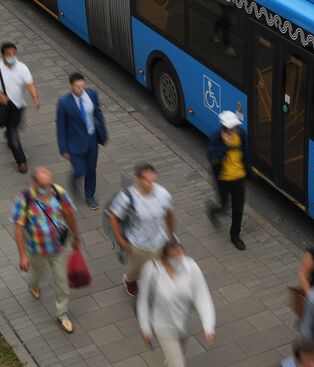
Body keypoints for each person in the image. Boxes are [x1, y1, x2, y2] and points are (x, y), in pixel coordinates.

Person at [11, 167, 80, 333]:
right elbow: (18, 229)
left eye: (49, 184)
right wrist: (23, 256)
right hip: (36, 248)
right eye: (43, 185)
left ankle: (62, 314)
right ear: (34, 182)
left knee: (62, 282)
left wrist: (76, 236)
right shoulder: (24, 199)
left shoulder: (58, 192)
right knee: (37, 272)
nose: (47, 188)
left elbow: (69, 214)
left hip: (58, 247)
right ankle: (33, 285)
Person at [137, 241, 215, 367]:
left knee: (178, 357)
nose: (179, 258)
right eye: (174, 256)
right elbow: (143, 300)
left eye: (180, 253)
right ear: (165, 257)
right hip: (163, 327)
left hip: (184, 324)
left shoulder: (191, 267)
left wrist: (208, 326)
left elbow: (202, 296)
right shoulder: (151, 270)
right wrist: (145, 327)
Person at [109, 163, 174, 296]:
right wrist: (120, 240)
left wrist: (170, 233)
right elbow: (113, 217)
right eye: (146, 180)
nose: (150, 184)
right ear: (138, 179)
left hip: (158, 240)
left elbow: (169, 213)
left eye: (153, 180)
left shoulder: (163, 194)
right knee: (134, 269)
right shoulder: (127, 197)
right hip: (137, 243)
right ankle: (130, 280)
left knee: (157, 268)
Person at [56, 72, 108, 210]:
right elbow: (60, 127)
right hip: (74, 143)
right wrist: (63, 148)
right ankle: (74, 179)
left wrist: (103, 134)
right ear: (70, 86)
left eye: (82, 85)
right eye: (77, 86)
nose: (80, 89)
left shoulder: (92, 94)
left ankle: (89, 195)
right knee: (80, 170)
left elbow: (98, 113)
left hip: (92, 139)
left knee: (91, 169)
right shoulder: (64, 103)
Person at [207, 111, 250, 250]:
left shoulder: (241, 133)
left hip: (238, 177)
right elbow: (213, 160)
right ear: (224, 127)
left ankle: (235, 236)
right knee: (225, 206)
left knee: (238, 208)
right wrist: (225, 145)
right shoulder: (215, 137)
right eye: (232, 127)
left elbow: (245, 152)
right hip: (223, 180)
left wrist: (248, 170)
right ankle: (213, 210)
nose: (235, 129)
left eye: (235, 126)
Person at [0, 42, 41, 173]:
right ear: (2, 55)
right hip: (3, 104)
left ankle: (9, 135)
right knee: (13, 132)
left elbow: (29, 83)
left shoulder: (22, 67)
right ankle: (21, 161)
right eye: (8, 54)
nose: (12, 56)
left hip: (18, 105)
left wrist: (35, 97)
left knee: (14, 127)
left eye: (14, 54)